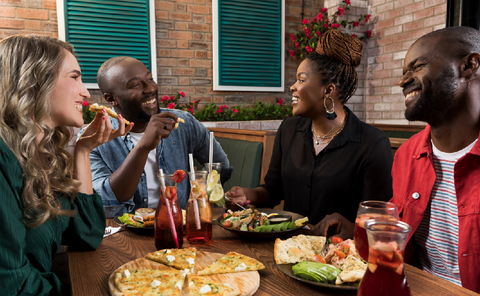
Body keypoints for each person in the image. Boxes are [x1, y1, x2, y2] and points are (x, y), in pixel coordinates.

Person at [317, 26, 480, 292]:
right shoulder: (407, 154)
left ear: (469, 65)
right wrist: (359, 230)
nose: (403, 82)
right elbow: (395, 242)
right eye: (404, 72)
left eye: (417, 67)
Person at [0, 35, 132, 295]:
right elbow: (13, 285)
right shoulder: (3, 160)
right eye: (74, 77)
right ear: (34, 82)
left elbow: (86, 234)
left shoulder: (41, 157)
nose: (86, 91)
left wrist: (83, 150)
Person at [225, 30, 393, 227]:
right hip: (287, 246)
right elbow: (273, 190)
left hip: (338, 253)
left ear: (328, 90)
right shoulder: (288, 130)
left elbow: (378, 222)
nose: (293, 87)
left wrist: (351, 229)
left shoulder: (372, 144)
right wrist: (248, 195)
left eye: (301, 80)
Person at [87, 56, 232, 217]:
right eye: (135, 85)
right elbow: (104, 199)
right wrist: (143, 147)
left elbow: (220, 167)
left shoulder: (184, 123)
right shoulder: (93, 139)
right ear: (111, 98)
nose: (150, 89)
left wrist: (201, 193)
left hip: (180, 229)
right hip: (125, 234)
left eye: (150, 79)